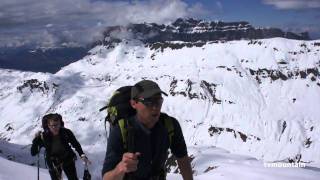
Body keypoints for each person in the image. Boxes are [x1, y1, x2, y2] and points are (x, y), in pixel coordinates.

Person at [102, 80, 193, 180]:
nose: (155, 107)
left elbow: (183, 159)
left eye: (158, 101)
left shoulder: (170, 125)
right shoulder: (122, 130)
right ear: (133, 103)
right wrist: (121, 168)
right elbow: (106, 177)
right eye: (148, 102)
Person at [31, 113, 90, 180]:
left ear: (60, 124)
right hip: (53, 162)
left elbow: (75, 144)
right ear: (48, 125)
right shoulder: (44, 136)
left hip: (67, 159)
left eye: (57, 125)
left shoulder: (66, 132)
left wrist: (82, 154)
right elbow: (33, 152)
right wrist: (35, 141)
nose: (55, 127)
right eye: (52, 125)